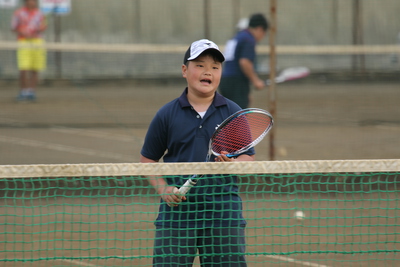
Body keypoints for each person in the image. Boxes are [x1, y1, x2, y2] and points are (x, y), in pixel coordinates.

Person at [140, 39, 255, 266]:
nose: (208, 72)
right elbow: (147, 159)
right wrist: (164, 190)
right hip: (177, 218)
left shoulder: (233, 112)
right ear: (185, 71)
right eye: (200, 65)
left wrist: (235, 164)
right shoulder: (166, 114)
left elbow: (247, 156)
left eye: (215, 67)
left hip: (224, 215)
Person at [219, 13, 269, 109]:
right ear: (259, 29)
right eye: (264, 33)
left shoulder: (238, 36)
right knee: (239, 118)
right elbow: (244, 62)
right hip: (236, 83)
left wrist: (246, 92)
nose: (262, 37)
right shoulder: (249, 39)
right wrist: (256, 81)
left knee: (228, 115)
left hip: (225, 81)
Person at [11, 0, 47, 102]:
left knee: (35, 68)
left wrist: (40, 29)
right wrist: (22, 31)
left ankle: (31, 92)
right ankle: (23, 92)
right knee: (23, 68)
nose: (33, 2)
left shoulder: (40, 14)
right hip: (23, 42)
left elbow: (44, 26)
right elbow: (13, 27)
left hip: (38, 42)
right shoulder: (18, 13)